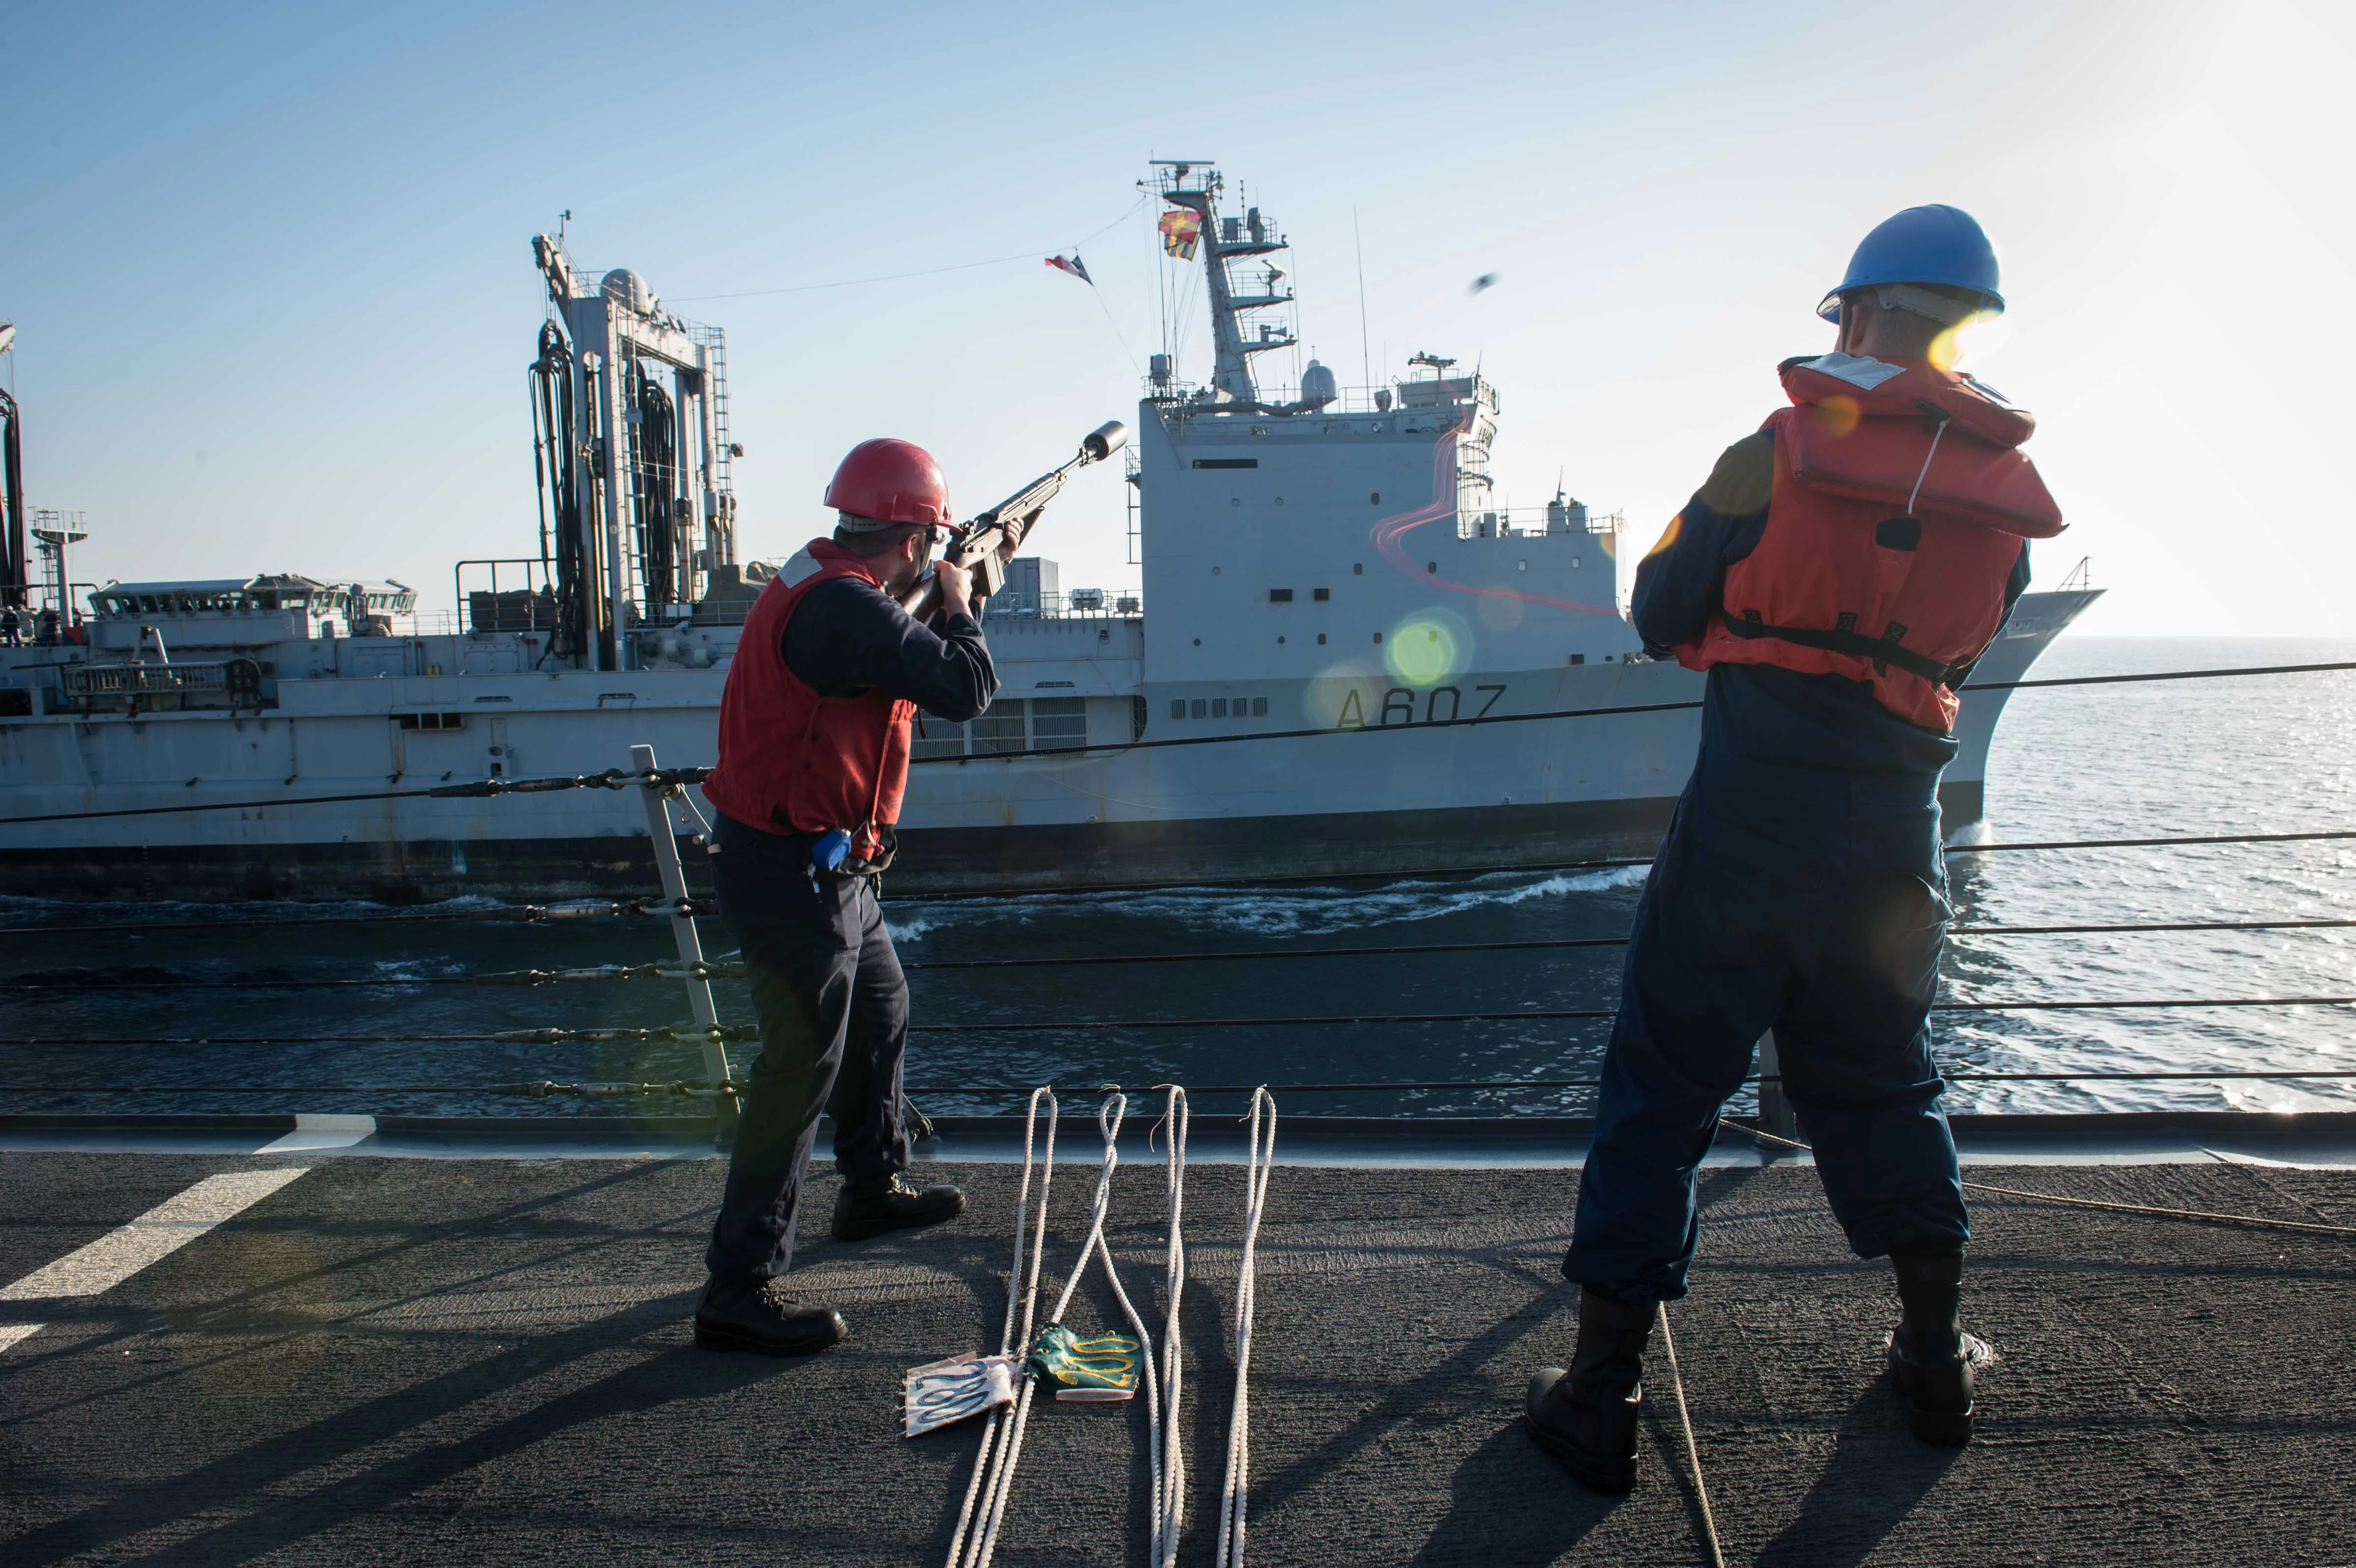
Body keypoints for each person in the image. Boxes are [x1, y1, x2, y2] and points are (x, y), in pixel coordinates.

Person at [1525, 205, 2065, 1489]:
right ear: (1965, 323)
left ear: (1857, 312)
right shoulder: (2000, 498)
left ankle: (1600, 1391)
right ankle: (1933, 1362)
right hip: (1889, 845)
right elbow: (1969, 641)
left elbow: (1661, 610)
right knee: (1888, 1081)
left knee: (1661, 1093)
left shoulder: (1765, 453)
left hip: (1746, 830)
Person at [691, 437, 999, 1356]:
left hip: (827, 864)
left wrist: (938, 600)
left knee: (882, 1009)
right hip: (789, 869)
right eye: (930, 543)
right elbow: (966, 687)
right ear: (911, 539)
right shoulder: (846, 610)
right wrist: (960, 607)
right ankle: (737, 1289)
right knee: (799, 1072)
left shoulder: (821, 584)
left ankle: (870, 1187)